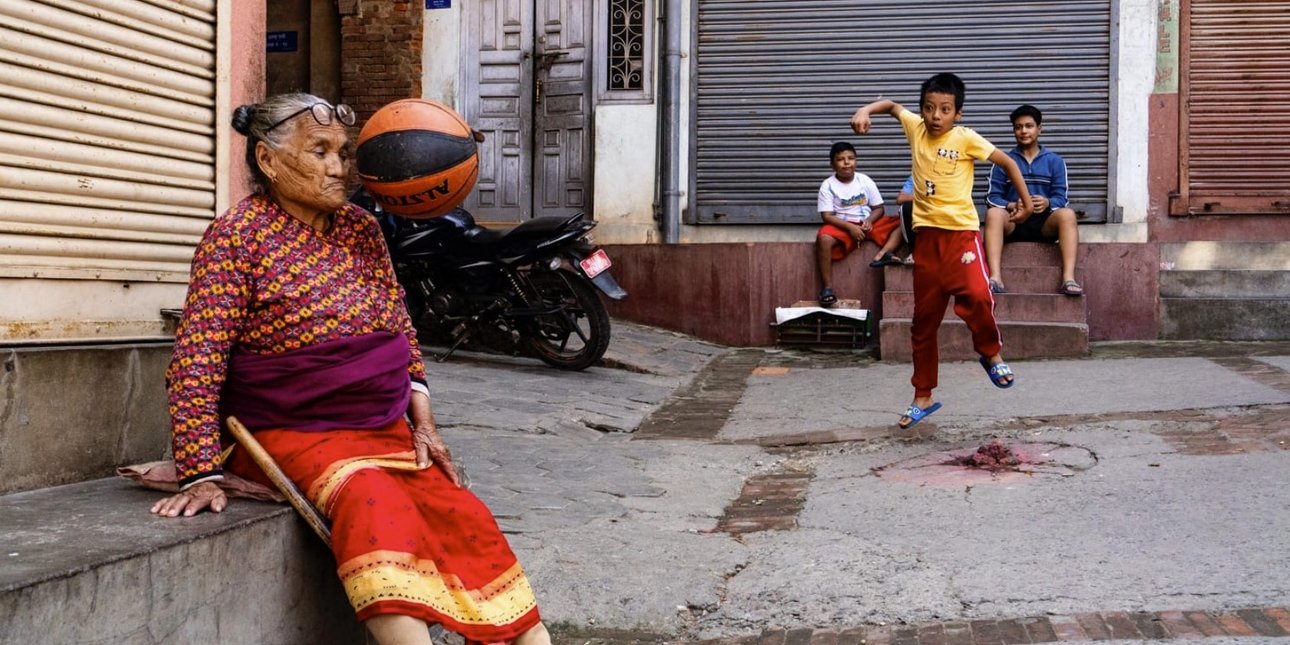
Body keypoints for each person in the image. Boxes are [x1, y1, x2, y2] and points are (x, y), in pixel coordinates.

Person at [149, 93, 552, 645]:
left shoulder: (362, 228)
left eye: (343, 152)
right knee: (372, 498)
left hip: (382, 427)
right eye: (319, 151)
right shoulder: (236, 237)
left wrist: (425, 425)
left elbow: (401, 328)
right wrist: (199, 470)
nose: (339, 168)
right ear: (267, 161)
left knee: (462, 512)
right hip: (292, 431)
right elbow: (198, 360)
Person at [850, 73, 1034, 429]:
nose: (936, 116)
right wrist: (865, 110)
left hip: (961, 237)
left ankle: (990, 352)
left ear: (958, 114)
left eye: (945, 110)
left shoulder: (965, 139)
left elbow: (1008, 163)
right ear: (922, 110)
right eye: (929, 108)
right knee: (923, 323)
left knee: (978, 295)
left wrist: (1025, 205)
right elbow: (889, 106)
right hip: (927, 241)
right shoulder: (915, 128)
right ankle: (923, 396)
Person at [983, 104, 1083, 296]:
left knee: (1067, 215)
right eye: (1018, 127)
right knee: (994, 213)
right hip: (1013, 221)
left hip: (1043, 224)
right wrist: (1013, 204)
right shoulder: (1003, 161)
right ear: (1014, 130)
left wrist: (1047, 203)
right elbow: (991, 197)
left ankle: (1068, 279)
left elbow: (1062, 198)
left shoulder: (1055, 161)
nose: (1023, 131)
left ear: (1039, 128)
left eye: (1029, 126)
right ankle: (995, 278)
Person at [814, 141, 900, 307]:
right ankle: (827, 289)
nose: (847, 163)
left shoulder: (865, 180)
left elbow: (879, 208)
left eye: (851, 158)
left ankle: (885, 253)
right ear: (832, 164)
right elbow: (827, 216)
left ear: (856, 161)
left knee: (902, 222)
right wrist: (851, 228)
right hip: (844, 226)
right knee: (823, 238)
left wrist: (869, 221)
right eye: (841, 159)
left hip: (868, 224)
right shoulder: (828, 185)